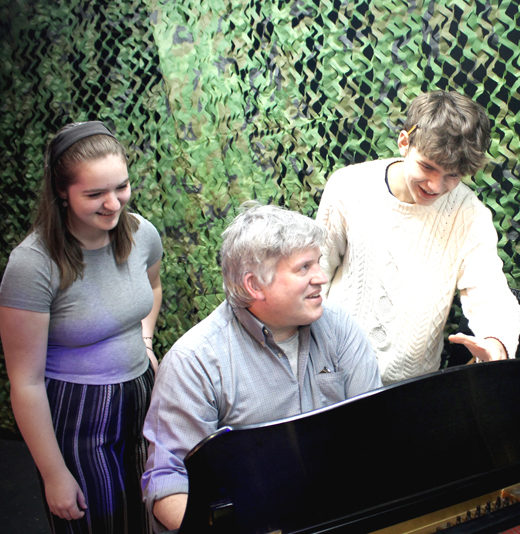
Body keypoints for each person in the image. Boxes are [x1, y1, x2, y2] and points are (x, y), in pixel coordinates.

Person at [141, 202, 382, 531]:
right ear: (254, 285)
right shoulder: (195, 362)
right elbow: (168, 484)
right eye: (303, 268)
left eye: (318, 263)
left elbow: (375, 432)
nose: (322, 278)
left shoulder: (339, 329)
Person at [0, 121, 163, 533]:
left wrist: (144, 340)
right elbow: (26, 383)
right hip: (78, 414)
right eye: (94, 194)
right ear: (62, 192)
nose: (113, 204)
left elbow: (153, 286)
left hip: (140, 398)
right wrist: (53, 473)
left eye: (121, 187)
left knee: (147, 512)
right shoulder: (32, 265)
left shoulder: (142, 233)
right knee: (98, 521)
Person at [316, 90, 520, 384]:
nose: (436, 185)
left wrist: (496, 344)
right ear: (404, 142)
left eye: (452, 175)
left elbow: (490, 293)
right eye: (427, 167)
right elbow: (315, 273)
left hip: (410, 388)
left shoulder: (470, 215)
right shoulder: (348, 186)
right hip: (332, 375)